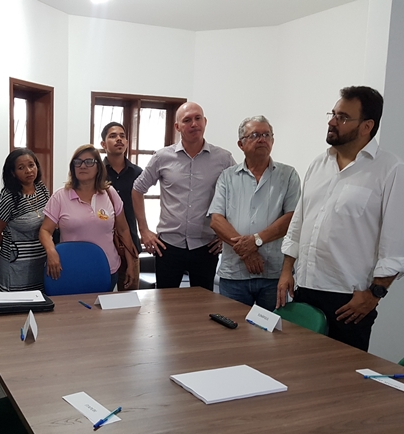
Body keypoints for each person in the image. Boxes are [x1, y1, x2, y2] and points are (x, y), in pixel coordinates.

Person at [277, 86, 404, 351]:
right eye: (333, 114)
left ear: (367, 126)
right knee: (297, 371)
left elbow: (398, 246)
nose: (331, 122)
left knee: (342, 384)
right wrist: (286, 271)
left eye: (342, 117)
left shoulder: (390, 170)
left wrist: (375, 295)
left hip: (349, 300)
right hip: (304, 289)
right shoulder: (319, 164)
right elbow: (299, 223)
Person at [132, 102, 235, 291]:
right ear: (177, 127)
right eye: (187, 120)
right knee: (164, 307)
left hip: (206, 246)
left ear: (205, 122)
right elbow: (138, 189)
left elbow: (235, 198)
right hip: (168, 246)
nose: (194, 124)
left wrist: (225, 236)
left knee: (202, 307)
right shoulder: (162, 157)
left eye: (197, 118)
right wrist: (144, 231)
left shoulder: (224, 159)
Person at [208, 116, 301, 310]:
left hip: (273, 274)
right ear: (241, 144)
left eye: (266, 135)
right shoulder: (228, 176)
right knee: (231, 331)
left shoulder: (288, 175)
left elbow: (292, 218)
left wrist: (256, 240)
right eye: (255, 135)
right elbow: (216, 220)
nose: (262, 139)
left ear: (273, 141)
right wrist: (247, 252)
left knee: (272, 335)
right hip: (234, 274)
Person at [40, 144, 139, 290]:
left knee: (101, 311)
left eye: (89, 162)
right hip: (69, 269)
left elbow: (124, 230)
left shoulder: (110, 194)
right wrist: (51, 251)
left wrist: (131, 264)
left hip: (107, 269)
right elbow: (45, 231)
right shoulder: (60, 196)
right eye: (77, 162)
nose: (82, 166)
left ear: (98, 167)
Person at [0, 148, 50, 291]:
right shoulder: (8, 197)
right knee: (16, 309)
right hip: (16, 266)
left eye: (31, 165)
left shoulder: (42, 190)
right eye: (21, 168)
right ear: (13, 173)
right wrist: (14, 245)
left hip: (40, 262)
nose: (28, 171)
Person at [101, 122, 143, 291]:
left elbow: (140, 207)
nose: (119, 139)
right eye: (113, 136)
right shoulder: (96, 173)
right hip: (102, 243)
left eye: (122, 136)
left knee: (130, 297)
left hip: (129, 242)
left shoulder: (138, 173)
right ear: (103, 144)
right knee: (98, 296)